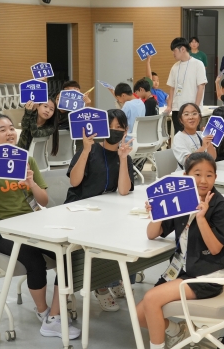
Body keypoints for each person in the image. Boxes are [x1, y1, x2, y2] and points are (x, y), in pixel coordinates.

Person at [0, 114, 80, 339]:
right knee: (34, 260)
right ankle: (43, 312)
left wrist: (31, 183)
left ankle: (54, 314)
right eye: (2, 129)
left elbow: (43, 201)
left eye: (11, 128)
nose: (9, 132)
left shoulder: (27, 160)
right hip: (5, 232)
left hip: (35, 225)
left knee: (68, 254)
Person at [137, 152, 224, 349]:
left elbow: (215, 248)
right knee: (139, 315)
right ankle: (177, 331)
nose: (203, 180)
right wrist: (156, 213)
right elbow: (152, 234)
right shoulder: (181, 201)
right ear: (185, 177)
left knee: (151, 299)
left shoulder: (222, 209)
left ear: (215, 178)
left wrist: (201, 218)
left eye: (209, 175)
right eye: (197, 174)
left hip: (207, 275)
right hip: (182, 270)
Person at [65, 109, 135, 311]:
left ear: (125, 130)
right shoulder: (90, 149)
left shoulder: (124, 156)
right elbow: (74, 181)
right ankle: (101, 286)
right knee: (100, 239)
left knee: (124, 232)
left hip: (106, 211)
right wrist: (86, 151)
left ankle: (115, 278)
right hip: (79, 210)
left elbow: (124, 190)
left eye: (119, 127)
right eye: (110, 127)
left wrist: (123, 159)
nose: (114, 130)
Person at [164, 37, 207, 134]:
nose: (173, 54)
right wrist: (169, 106)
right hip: (177, 109)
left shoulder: (198, 64)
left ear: (182, 49)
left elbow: (201, 87)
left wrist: (196, 107)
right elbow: (172, 88)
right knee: (179, 137)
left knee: (192, 137)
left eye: (174, 51)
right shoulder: (175, 67)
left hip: (191, 110)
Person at [171, 103, 216, 169]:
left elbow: (213, 158)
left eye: (194, 113)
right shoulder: (178, 138)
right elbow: (187, 162)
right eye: (186, 114)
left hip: (203, 170)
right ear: (181, 120)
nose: (191, 117)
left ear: (199, 118)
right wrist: (203, 147)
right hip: (186, 173)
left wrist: (208, 142)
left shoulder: (201, 134)